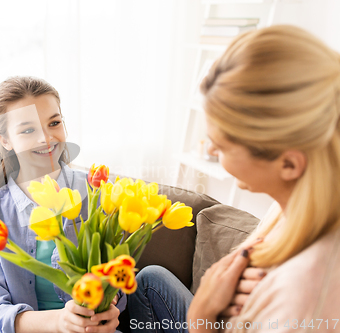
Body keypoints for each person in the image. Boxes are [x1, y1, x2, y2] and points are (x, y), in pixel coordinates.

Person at [128, 25, 340, 333]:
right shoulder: (293, 206)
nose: (210, 148)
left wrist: (202, 317)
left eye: (222, 145)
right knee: (150, 280)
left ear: (289, 164)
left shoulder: (302, 298)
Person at [0, 76, 125, 333]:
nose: (46, 138)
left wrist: (111, 303)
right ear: (6, 140)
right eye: (28, 130)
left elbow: (120, 281)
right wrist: (59, 322)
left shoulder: (96, 193)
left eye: (54, 123)